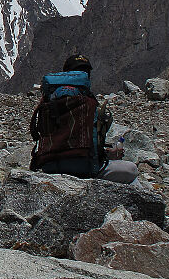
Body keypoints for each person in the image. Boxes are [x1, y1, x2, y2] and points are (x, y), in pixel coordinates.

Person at [29, 54, 140, 184]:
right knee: (131, 170)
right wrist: (108, 154)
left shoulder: (48, 101)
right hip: (85, 167)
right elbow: (93, 144)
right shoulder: (89, 103)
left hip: (50, 166)